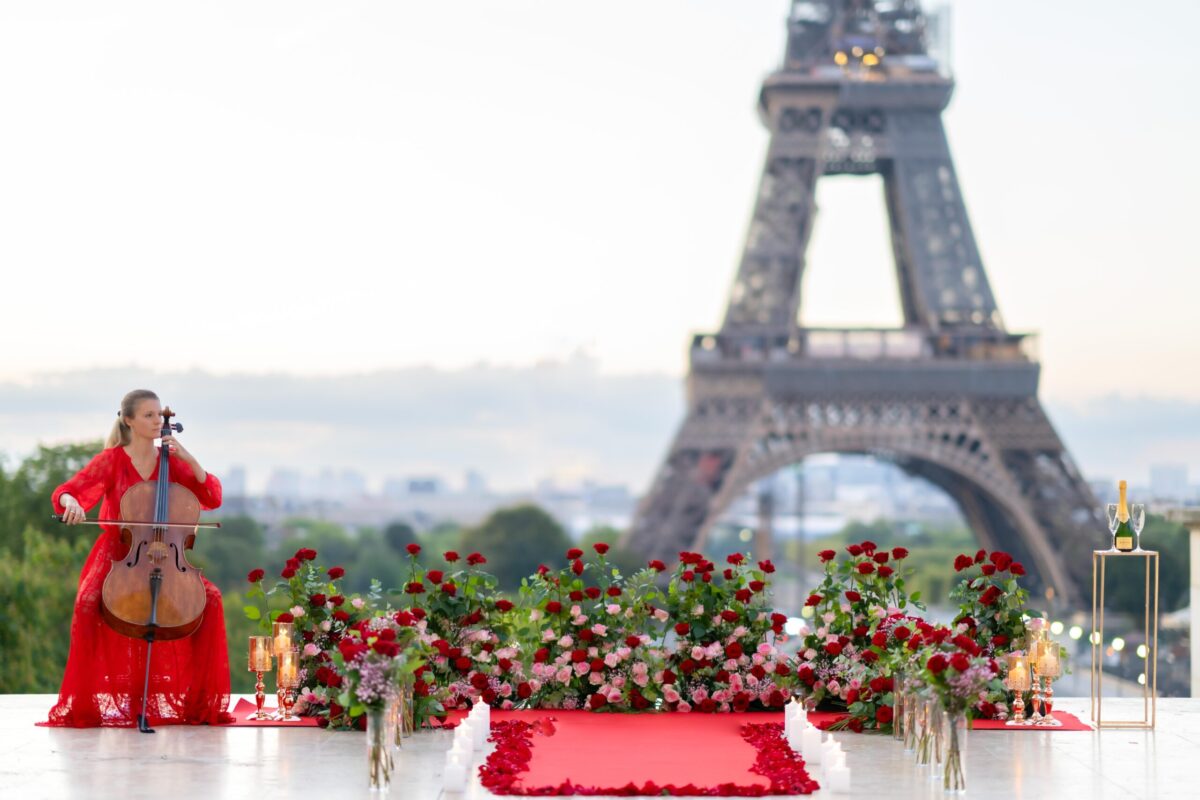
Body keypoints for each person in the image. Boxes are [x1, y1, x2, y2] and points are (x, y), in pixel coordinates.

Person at [42, 389, 232, 727]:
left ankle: (200, 705)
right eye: (149, 415)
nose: (158, 420)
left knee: (212, 600)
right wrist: (71, 501)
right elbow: (69, 490)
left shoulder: (170, 462)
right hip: (120, 553)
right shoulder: (112, 459)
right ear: (128, 420)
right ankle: (84, 706)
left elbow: (211, 496)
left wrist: (188, 457)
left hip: (166, 555)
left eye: (159, 414)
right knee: (87, 604)